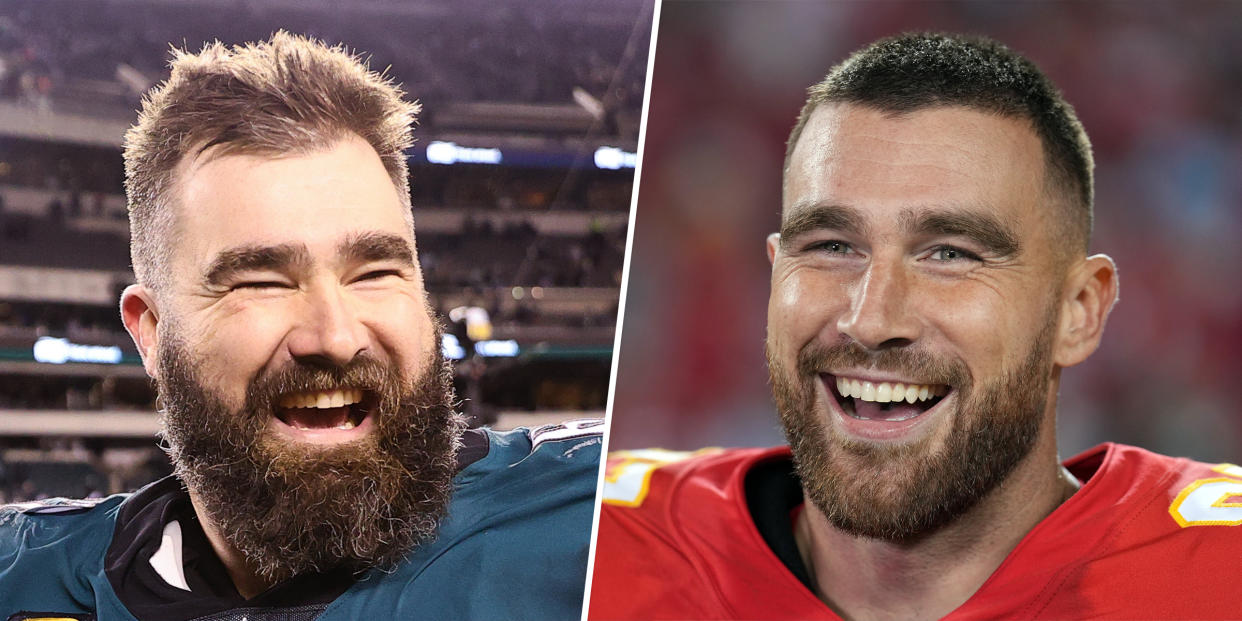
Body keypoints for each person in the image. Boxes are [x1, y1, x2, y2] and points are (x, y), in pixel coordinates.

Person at [589, 33, 1239, 620]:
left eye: (950, 254)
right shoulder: (586, 550)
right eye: (830, 245)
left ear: (1079, 310)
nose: (870, 320)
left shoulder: (1218, 573)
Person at [0, 32, 601, 619]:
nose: (336, 338)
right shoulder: (25, 578)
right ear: (152, 331)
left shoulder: (608, 518)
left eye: (374, 271)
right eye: (261, 281)